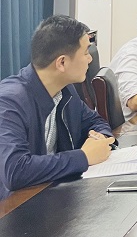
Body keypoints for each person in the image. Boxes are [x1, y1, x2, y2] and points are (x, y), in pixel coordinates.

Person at [0, 15, 115, 198]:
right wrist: (84, 157)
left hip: (52, 195)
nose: (90, 59)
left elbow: (95, 121)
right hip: (14, 206)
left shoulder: (65, 90)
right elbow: (15, 171)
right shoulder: (10, 101)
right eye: (86, 52)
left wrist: (99, 139)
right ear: (62, 62)